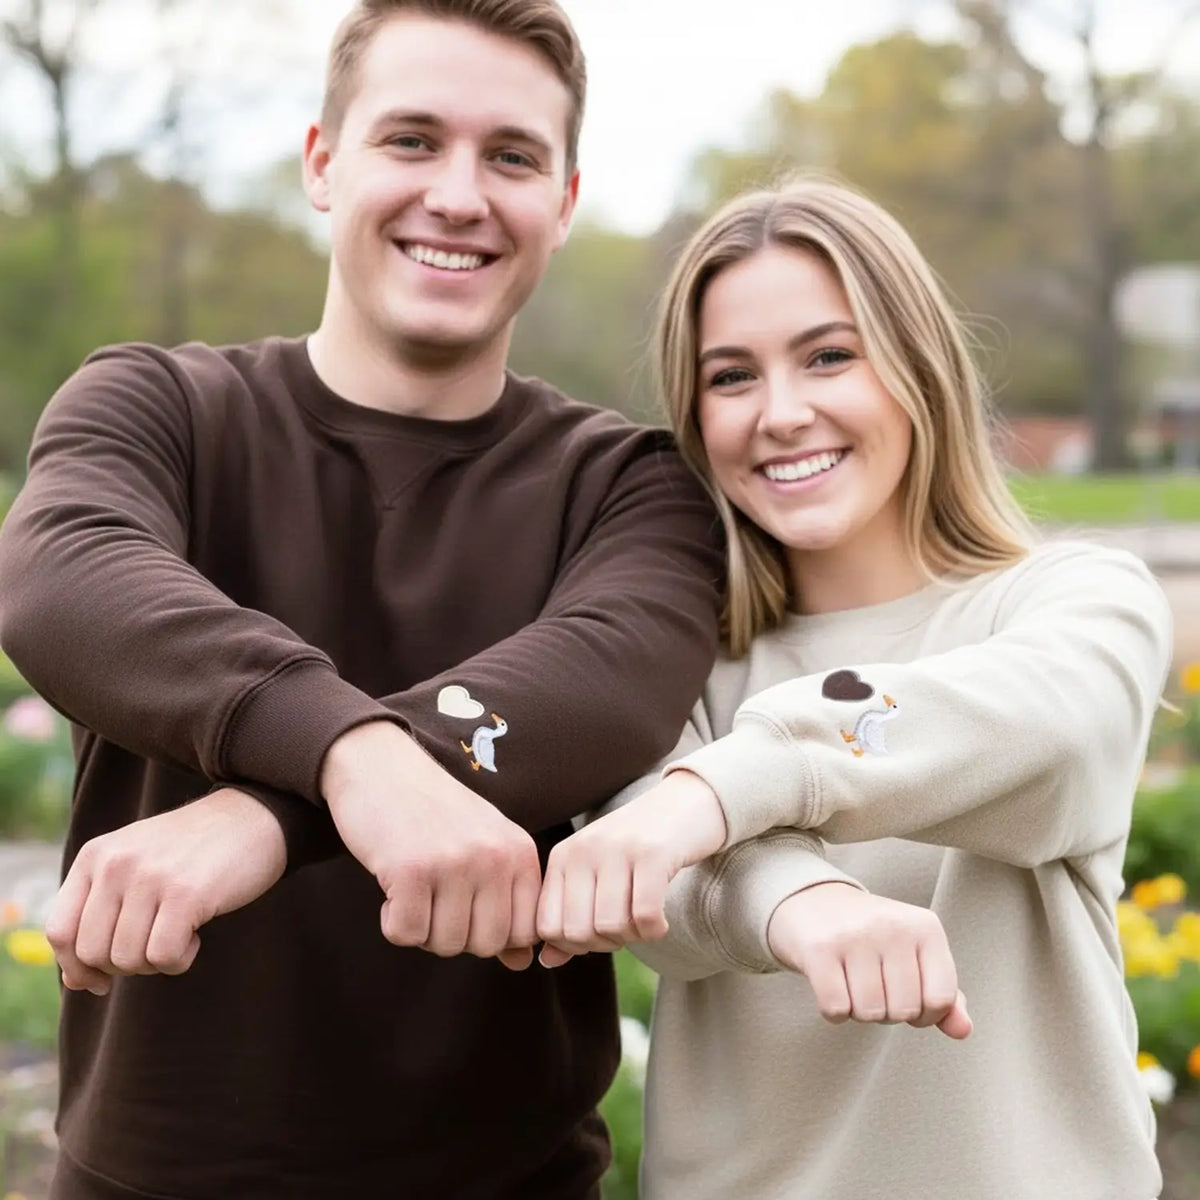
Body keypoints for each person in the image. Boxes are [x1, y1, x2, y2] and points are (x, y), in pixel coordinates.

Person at [0, 2, 725, 1197]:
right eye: (411, 140)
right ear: (323, 165)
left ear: (566, 199)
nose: (459, 194)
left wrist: (264, 820)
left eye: (511, 157)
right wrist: (348, 758)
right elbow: (66, 579)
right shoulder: (153, 408)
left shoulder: (630, 484)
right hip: (147, 1174)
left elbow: (601, 682)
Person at [536, 177, 1173, 1200]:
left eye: (830, 355)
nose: (783, 414)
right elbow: (670, 899)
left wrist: (708, 796)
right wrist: (805, 898)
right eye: (732, 376)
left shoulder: (1076, 603)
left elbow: (1033, 735)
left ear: (915, 367)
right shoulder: (671, 659)